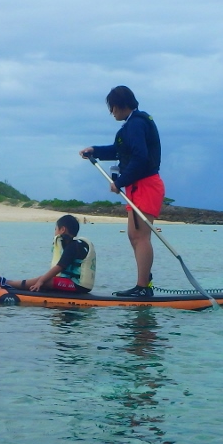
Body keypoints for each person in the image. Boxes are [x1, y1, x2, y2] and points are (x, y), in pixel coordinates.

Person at [79, 86, 164, 297]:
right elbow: (119, 151)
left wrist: (121, 181)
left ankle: (144, 287)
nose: (111, 112)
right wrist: (95, 151)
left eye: (112, 107)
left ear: (120, 105)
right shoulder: (130, 126)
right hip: (137, 186)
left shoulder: (136, 124)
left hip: (145, 185)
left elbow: (140, 157)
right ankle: (144, 284)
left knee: (141, 237)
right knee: (134, 236)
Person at [0, 214, 95, 293]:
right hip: (80, 285)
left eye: (56, 229)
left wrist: (40, 281)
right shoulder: (77, 244)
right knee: (45, 278)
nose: (54, 232)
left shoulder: (73, 246)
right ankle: (12, 283)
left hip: (78, 286)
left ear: (62, 229)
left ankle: (10, 284)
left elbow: (59, 267)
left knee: (46, 280)